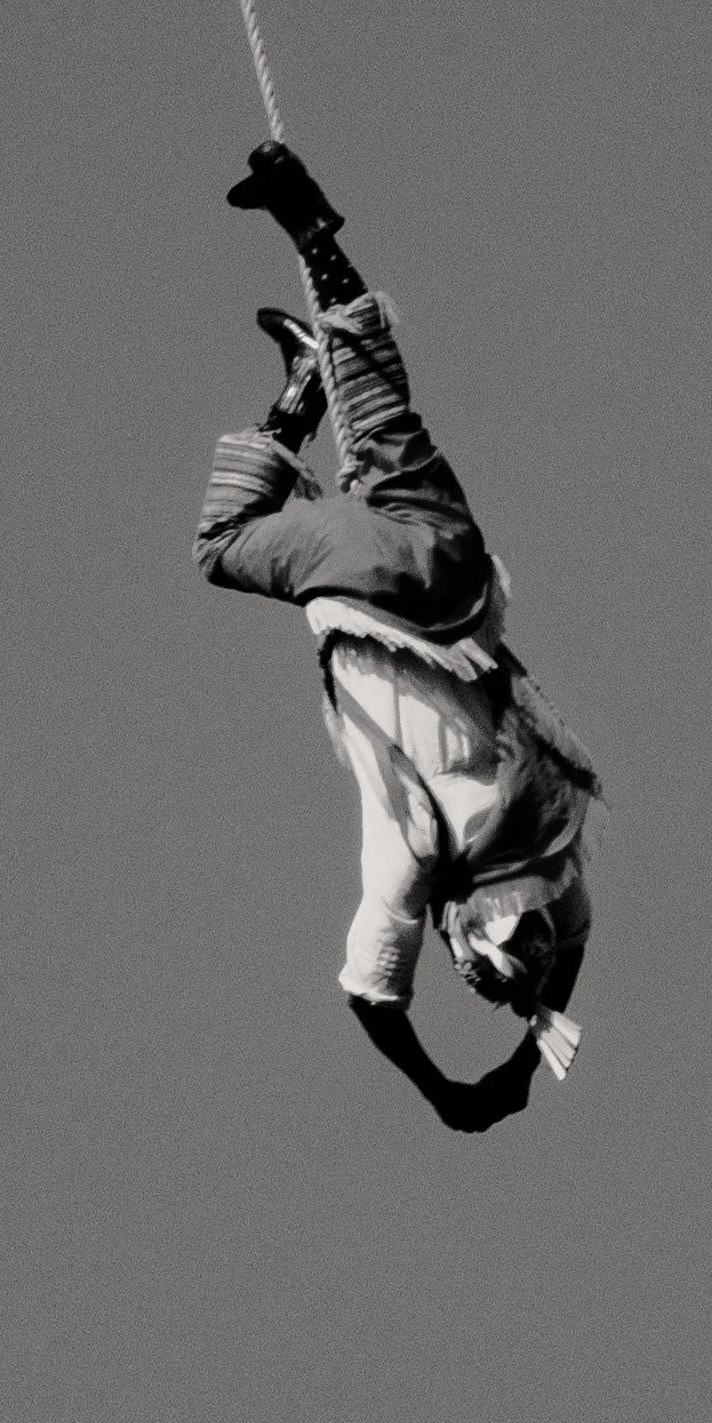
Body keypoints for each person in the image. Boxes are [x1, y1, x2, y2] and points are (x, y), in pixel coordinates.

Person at [194, 141, 600, 1130]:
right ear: (469, 927)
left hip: (453, 566)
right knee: (224, 542)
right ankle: (297, 391)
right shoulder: (418, 854)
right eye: (467, 961)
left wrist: (528, 1034)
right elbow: (373, 999)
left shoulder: (560, 849)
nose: (452, 964)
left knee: (381, 414)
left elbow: (569, 944)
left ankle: (316, 237)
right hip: (375, 582)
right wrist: (446, 1091)